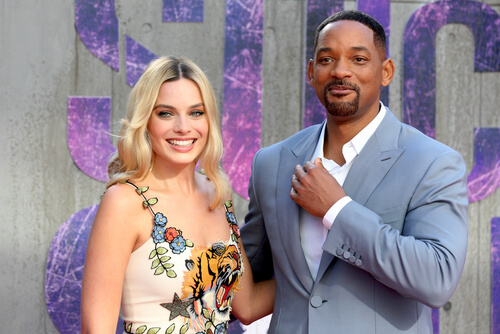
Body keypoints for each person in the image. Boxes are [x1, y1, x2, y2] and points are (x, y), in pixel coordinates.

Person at [240, 10, 468, 334]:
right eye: (326, 59)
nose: (340, 71)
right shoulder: (271, 162)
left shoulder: (433, 163)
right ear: (311, 71)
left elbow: (437, 279)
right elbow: (245, 277)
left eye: (358, 59)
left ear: (386, 71)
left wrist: (338, 209)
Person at [81, 56, 274, 334]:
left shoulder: (218, 193)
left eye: (196, 112)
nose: (183, 127)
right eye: (166, 113)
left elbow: (248, 305)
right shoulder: (124, 201)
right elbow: (95, 330)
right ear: (145, 120)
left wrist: (320, 278)